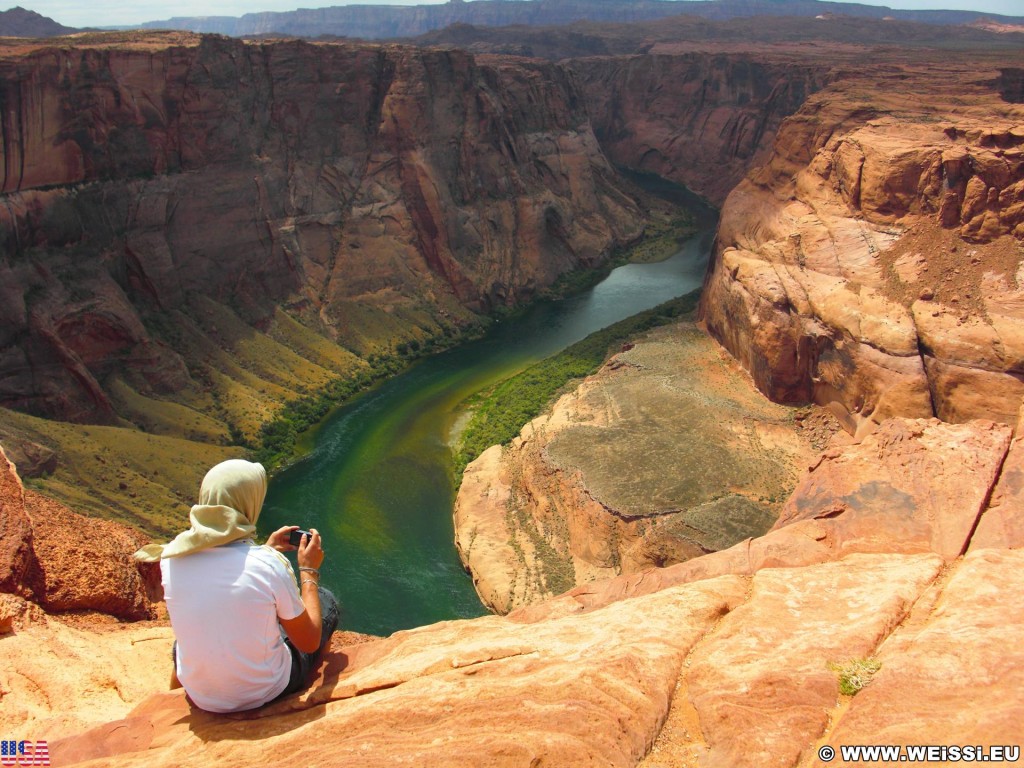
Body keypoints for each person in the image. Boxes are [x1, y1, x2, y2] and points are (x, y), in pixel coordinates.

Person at [134, 459, 339, 713]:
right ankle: (317, 678)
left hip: (201, 696)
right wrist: (309, 571)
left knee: (185, 641)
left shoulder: (172, 557)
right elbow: (309, 641)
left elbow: (221, 589)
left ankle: (174, 698)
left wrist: (264, 550)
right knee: (326, 601)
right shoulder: (266, 565)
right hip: (265, 690)